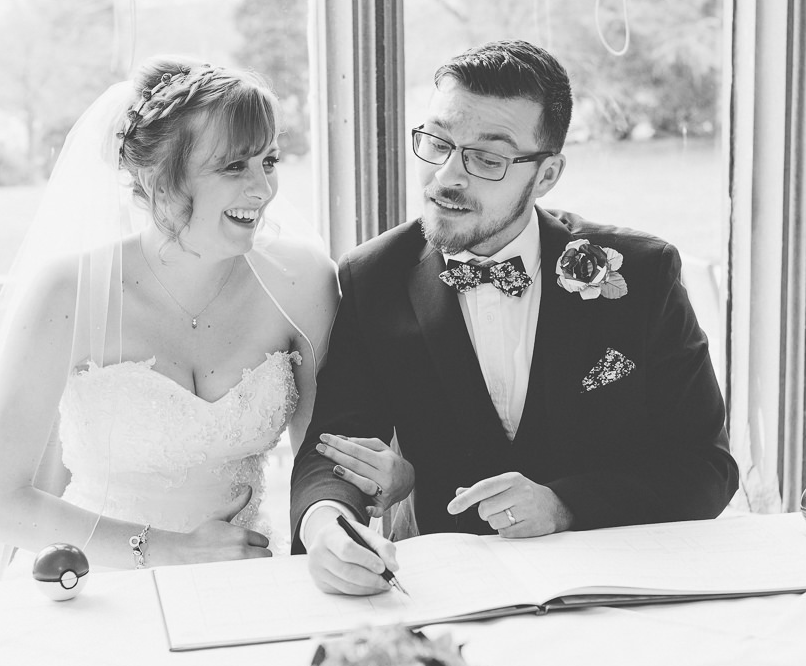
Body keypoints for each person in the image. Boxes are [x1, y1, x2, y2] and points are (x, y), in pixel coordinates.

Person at [290, 39, 738, 596]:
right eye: (437, 143)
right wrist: (325, 523)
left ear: (546, 175)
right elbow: (335, 444)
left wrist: (566, 505)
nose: (446, 177)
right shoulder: (373, 276)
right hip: (445, 593)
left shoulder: (640, 275)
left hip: (617, 586)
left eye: (488, 158)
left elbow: (705, 466)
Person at [0, 57, 338, 588]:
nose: (263, 189)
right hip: (90, 581)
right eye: (234, 167)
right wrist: (172, 552)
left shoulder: (303, 280)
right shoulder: (67, 292)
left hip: (240, 579)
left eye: (268, 161)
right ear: (160, 181)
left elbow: (323, 464)